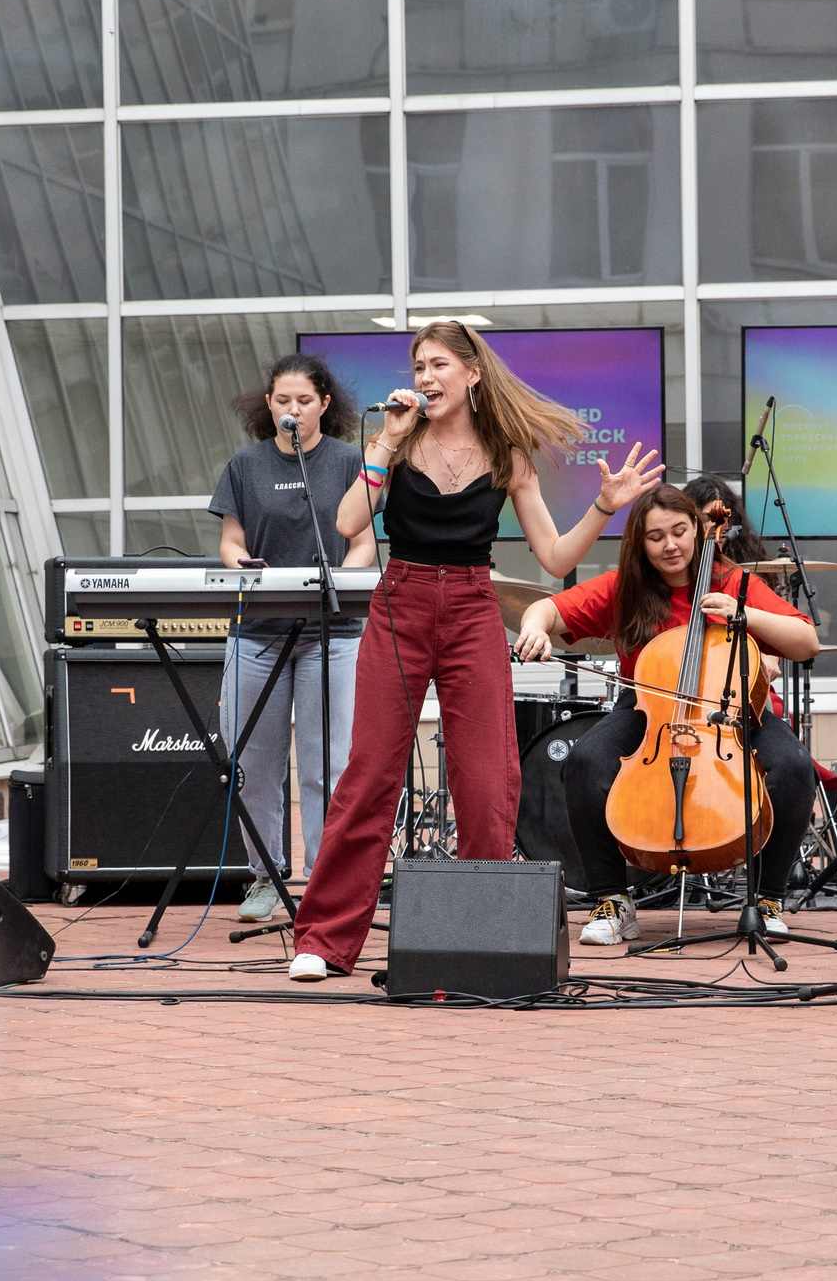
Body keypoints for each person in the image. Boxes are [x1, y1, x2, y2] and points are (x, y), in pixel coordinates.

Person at [284, 320, 664, 981]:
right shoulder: (396, 443)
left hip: (470, 607)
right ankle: (323, 939)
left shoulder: (506, 452)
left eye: (437, 365)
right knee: (370, 773)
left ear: (471, 373)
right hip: (399, 605)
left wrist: (604, 506)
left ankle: (478, 940)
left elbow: (554, 556)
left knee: (487, 780)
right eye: (418, 366)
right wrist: (384, 444)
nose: (426, 377)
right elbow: (348, 524)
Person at [514, 484, 821, 946]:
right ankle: (612, 901)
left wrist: (745, 617)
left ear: (699, 530)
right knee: (585, 762)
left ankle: (766, 900)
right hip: (648, 709)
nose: (670, 545)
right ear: (640, 542)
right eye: (656, 537)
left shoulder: (733, 583)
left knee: (794, 767)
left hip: (732, 710)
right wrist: (534, 628)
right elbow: (547, 609)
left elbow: (806, 641)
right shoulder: (626, 588)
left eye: (679, 531)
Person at [208, 354, 378, 922]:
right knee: (253, 763)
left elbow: (363, 543)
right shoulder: (244, 465)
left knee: (325, 766)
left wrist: (349, 581)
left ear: (325, 405)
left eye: (304, 401)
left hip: (332, 633)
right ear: (270, 406)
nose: (292, 410)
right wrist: (241, 564)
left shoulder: (349, 459)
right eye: (282, 401)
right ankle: (265, 875)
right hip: (256, 631)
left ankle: (325, 882)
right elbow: (230, 542)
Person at [682, 475, 772, 567]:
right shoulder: (680, 567)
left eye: (721, 517)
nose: (714, 525)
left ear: (730, 520)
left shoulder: (746, 564)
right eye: (706, 518)